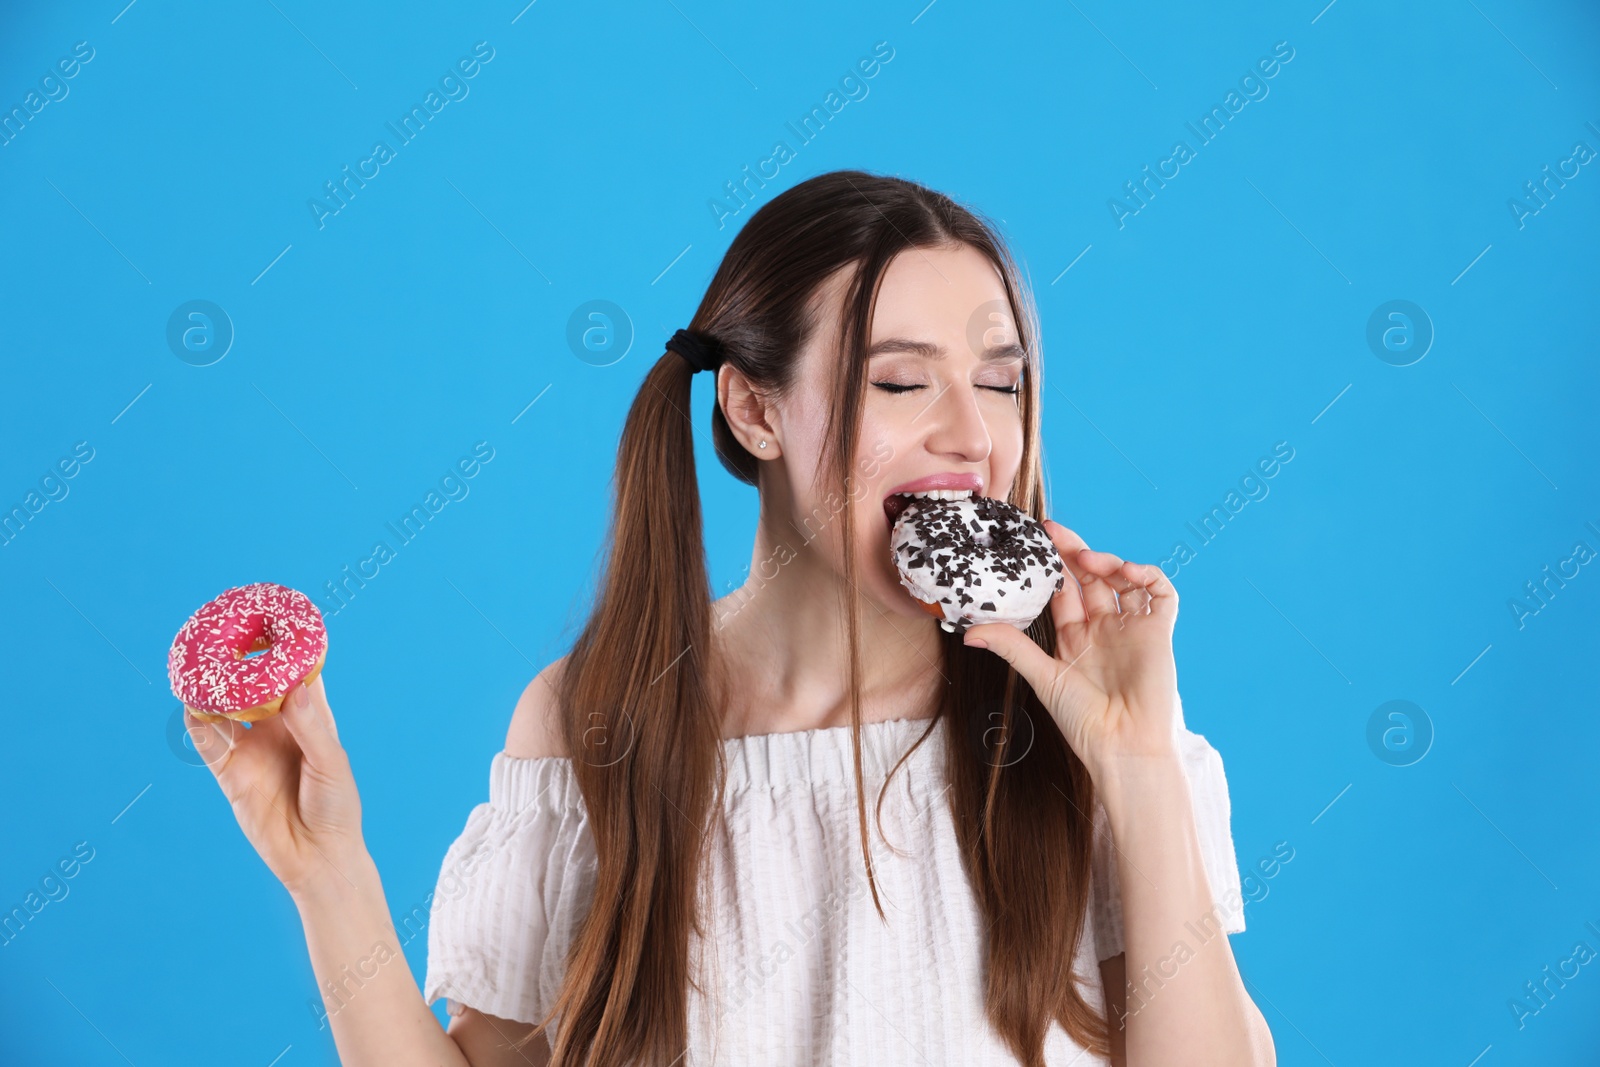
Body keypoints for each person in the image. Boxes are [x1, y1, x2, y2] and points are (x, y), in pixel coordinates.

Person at [186, 169, 1276, 1066]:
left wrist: (1135, 766)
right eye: (900, 384)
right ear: (754, 408)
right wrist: (328, 872)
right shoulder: (595, 723)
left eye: (999, 382)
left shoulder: (1088, 725)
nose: (972, 435)